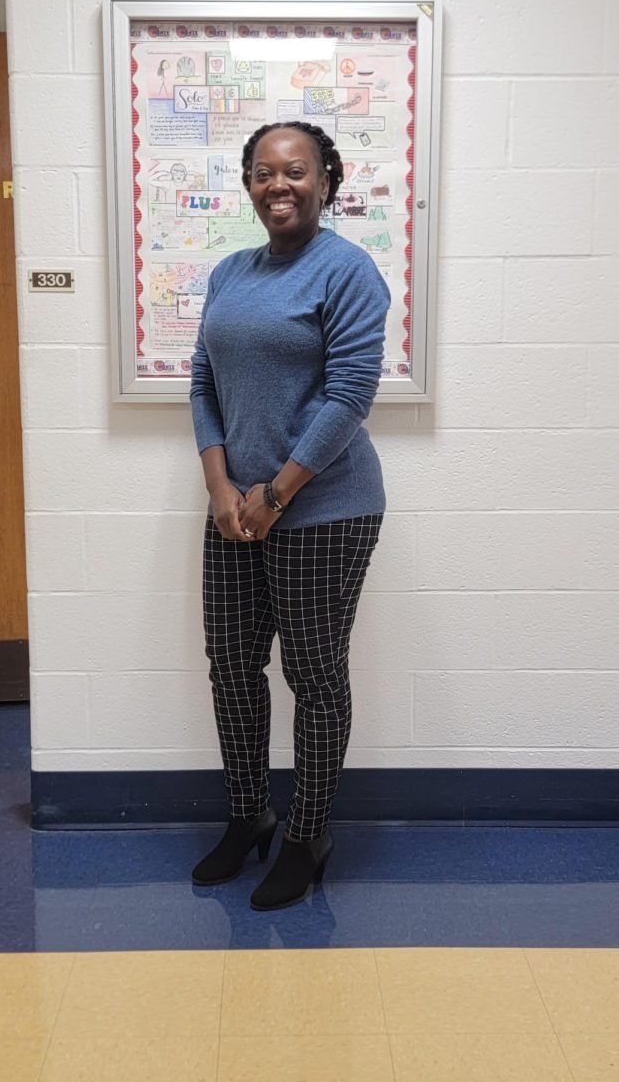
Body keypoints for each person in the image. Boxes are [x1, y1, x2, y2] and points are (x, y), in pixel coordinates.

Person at [188, 120, 390, 911]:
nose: (280, 185)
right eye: (264, 172)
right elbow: (202, 384)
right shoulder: (230, 273)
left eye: (297, 171)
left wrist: (277, 493)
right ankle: (251, 815)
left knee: (312, 675)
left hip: (325, 509)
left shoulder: (346, 271)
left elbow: (348, 397)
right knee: (232, 666)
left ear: (328, 181)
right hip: (235, 510)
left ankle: (309, 835)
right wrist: (221, 489)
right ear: (247, 185)